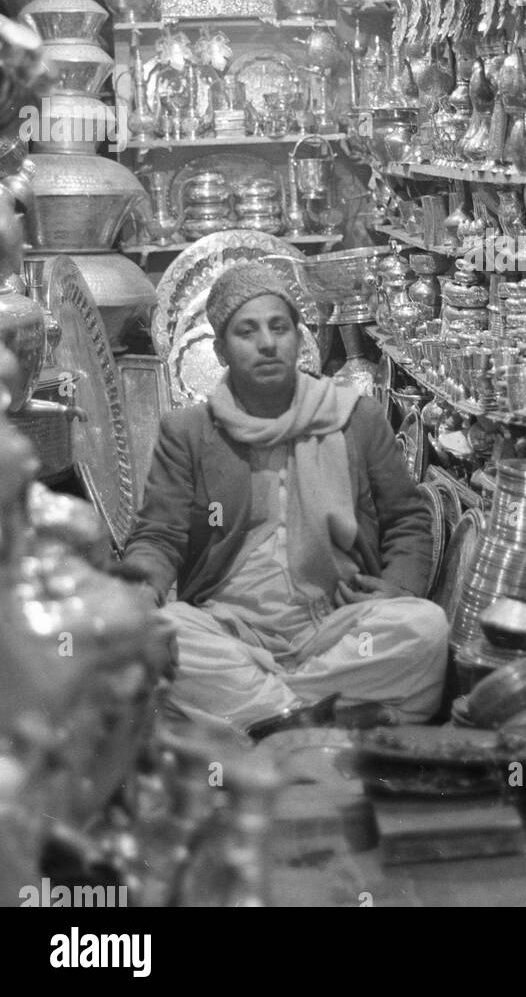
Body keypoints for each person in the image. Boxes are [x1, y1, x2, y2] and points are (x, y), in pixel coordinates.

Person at [118, 262, 448, 741]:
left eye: (279, 327)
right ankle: (321, 719)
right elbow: (159, 533)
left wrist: (399, 586)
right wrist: (142, 595)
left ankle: (264, 717)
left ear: (299, 338)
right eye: (247, 331)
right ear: (221, 350)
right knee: (167, 632)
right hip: (230, 630)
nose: (267, 343)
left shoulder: (357, 417)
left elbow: (407, 519)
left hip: (339, 622)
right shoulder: (188, 432)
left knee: (423, 627)